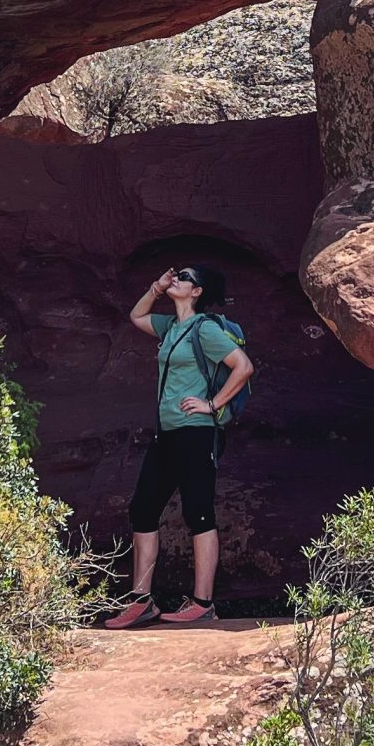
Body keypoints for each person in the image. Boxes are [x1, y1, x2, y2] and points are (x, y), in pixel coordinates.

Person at [105, 262, 252, 628]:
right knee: (143, 508)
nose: (178, 279)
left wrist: (213, 404)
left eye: (184, 278)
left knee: (198, 512)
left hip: (197, 432)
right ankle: (142, 601)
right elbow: (136, 315)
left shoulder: (204, 330)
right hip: (167, 432)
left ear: (197, 292)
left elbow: (243, 366)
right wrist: (157, 287)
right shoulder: (171, 327)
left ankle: (202, 602)